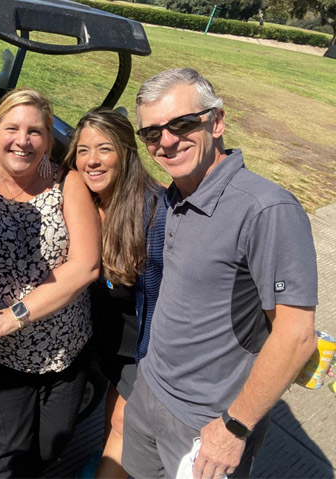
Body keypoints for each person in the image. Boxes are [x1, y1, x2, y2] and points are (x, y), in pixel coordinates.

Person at [121, 68, 318, 479]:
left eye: (182, 124)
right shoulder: (177, 194)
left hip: (206, 425)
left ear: (217, 121)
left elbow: (295, 336)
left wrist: (234, 427)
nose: (167, 141)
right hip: (150, 392)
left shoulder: (265, 209)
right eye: (152, 133)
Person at [0, 89, 101, 477]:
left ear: (48, 138)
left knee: (51, 443)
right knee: (11, 455)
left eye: (35, 132)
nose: (23, 141)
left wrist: (14, 314)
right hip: (3, 352)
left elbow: (86, 265)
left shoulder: (64, 181)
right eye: (13, 128)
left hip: (64, 343)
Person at [63, 107, 167, 478]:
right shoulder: (83, 200)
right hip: (107, 338)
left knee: (125, 422)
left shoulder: (154, 212)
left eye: (104, 149)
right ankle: (105, 455)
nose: (92, 161)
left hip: (144, 345)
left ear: (126, 151)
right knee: (115, 410)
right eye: (83, 150)